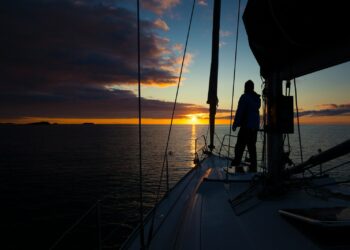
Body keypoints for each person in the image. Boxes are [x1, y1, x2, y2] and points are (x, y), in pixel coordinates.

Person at [231, 80, 261, 173]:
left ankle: (235, 165)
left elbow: (240, 111)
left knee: (239, 147)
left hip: (246, 127)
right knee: (252, 148)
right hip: (254, 129)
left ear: (246, 87)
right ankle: (254, 168)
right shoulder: (257, 99)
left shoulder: (244, 97)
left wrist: (235, 124)